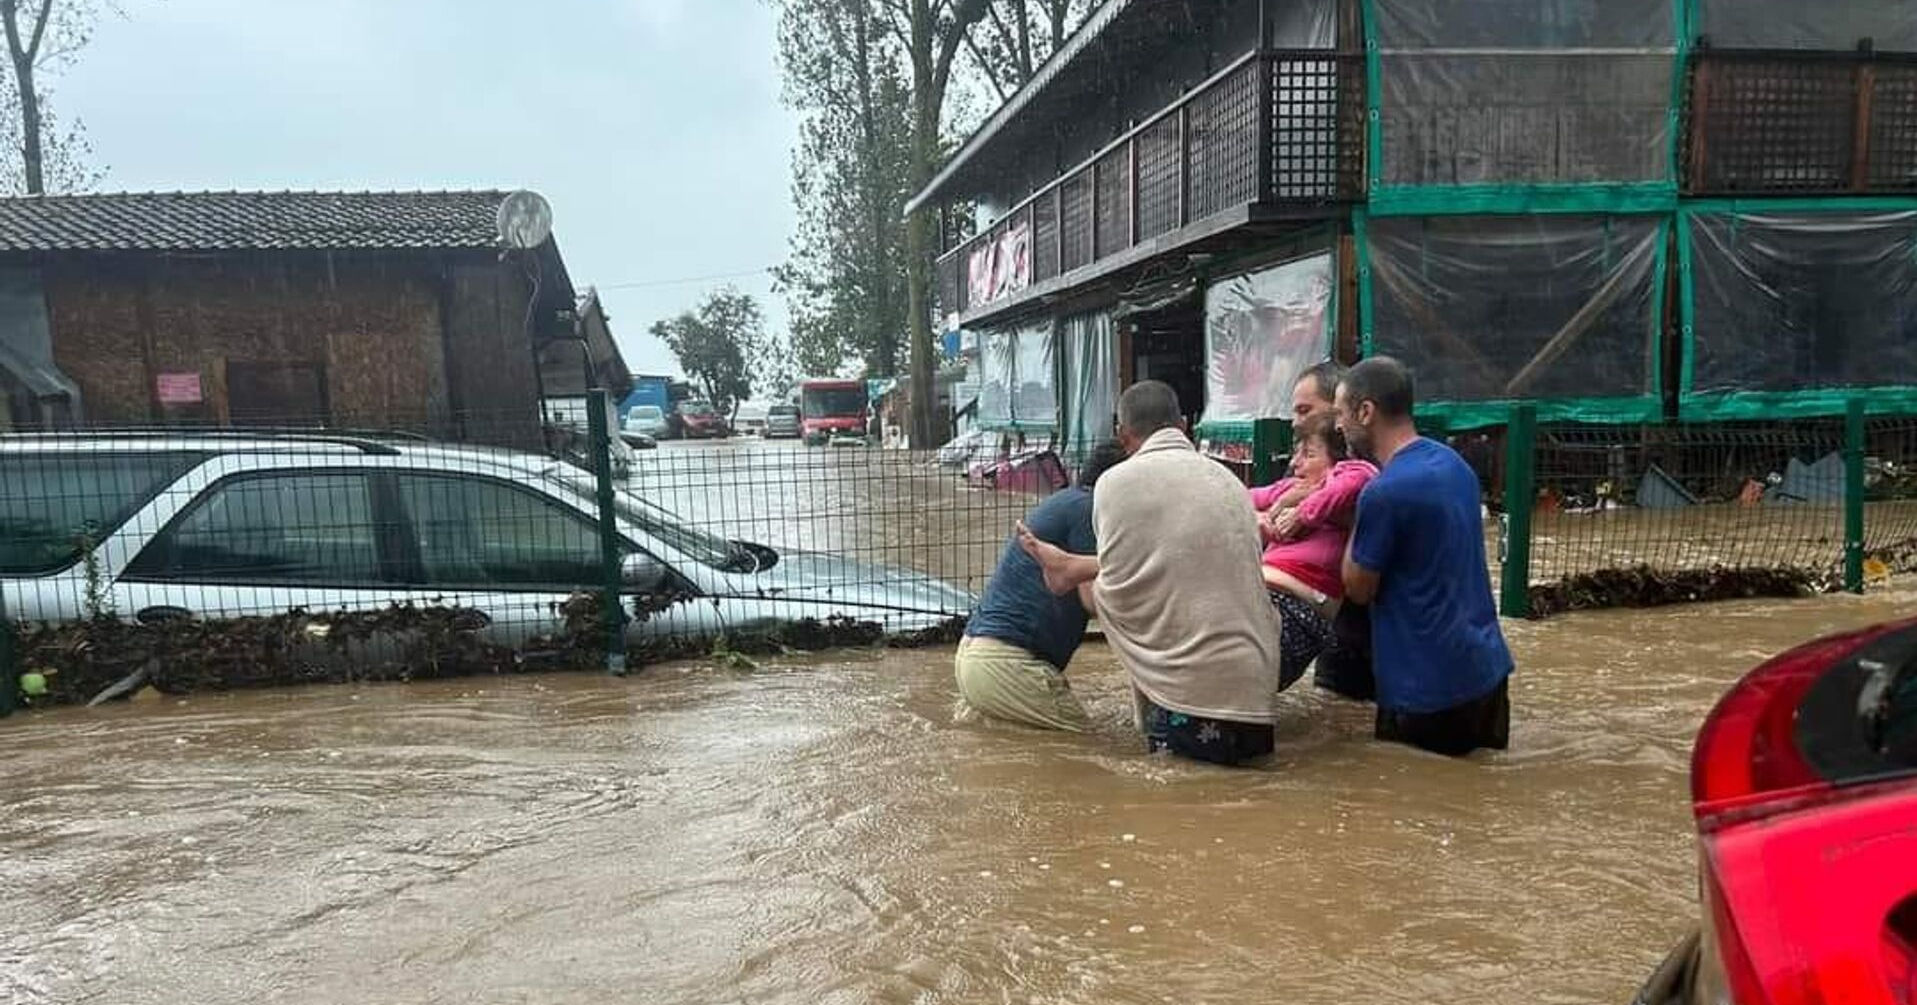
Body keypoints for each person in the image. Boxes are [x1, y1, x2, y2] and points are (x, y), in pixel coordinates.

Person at [1019, 381, 1285, 766]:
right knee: (1247, 802)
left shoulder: (1114, 484)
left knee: (1175, 812)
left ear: (1123, 435)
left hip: (1187, 689)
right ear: (1184, 426)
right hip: (1255, 681)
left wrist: (1072, 577)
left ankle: (1067, 569)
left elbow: (1120, 586)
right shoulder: (1229, 481)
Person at [1337, 357, 1513, 757]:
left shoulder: (1382, 493)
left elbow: (1358, 587)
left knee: (1411, 805)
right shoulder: (1456, 467)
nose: (1338, 426)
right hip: (1486, 671)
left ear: (1366, 412)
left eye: (1342, 413)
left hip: (1426, 687)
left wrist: (1351, 520)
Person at [955, 442, 1129, 732]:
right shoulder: (1091, 510)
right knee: (1099, 755)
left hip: (975, 657)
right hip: (1008, 665)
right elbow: (1091, 599)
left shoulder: (1067, 501)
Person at [1247, 411, 1378, 689]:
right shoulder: (1291, 488)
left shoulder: (1354, 475)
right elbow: (1241, 497)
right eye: (1296, 454)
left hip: (1297, 613)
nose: (1295, 463)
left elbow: (1352, 482)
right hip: (1262, 596)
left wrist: (1301, 513)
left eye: (1308, 454)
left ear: (1339, 458)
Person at [1289, 360, 1377, 702]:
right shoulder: (1307, 461)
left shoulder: (1369, 469)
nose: (1297, 421)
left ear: (1339, 406)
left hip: (1373, 631)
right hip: (1332, 631)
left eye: (1304, 410)